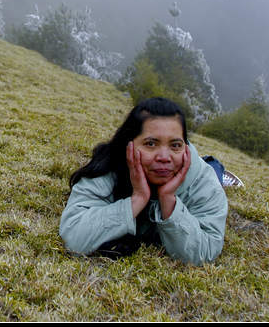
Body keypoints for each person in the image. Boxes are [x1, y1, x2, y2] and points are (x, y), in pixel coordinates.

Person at [59, 97, 227, 265]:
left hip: (207, 171)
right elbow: (72, 239)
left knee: (214, 171)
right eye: (151, 144)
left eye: (175, 145)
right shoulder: (108, 168)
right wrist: (138, 199)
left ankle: (215, 165)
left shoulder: (205, 183)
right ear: (129, 144)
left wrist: (169, 201)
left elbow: (205, 253)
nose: (164, 158)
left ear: (186, 147)